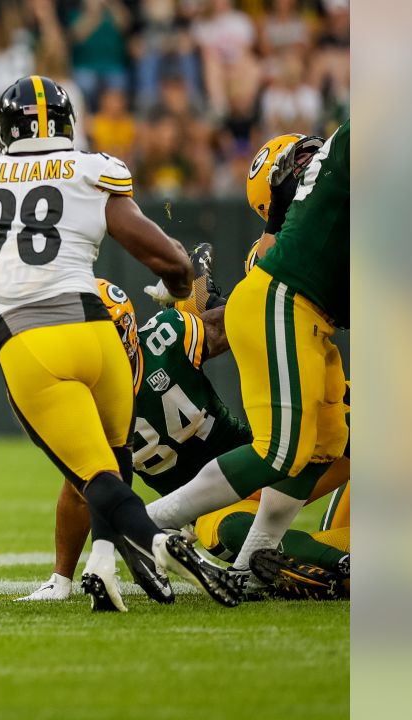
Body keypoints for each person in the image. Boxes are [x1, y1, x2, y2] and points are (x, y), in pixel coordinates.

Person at [0, 75, 239, 612]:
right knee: (113, 458)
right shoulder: (89, 170)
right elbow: (173, 261)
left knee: (92, 476)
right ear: (68, 124)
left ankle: (157, 541)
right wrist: (174, 291)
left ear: (2, 130)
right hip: (97, 332)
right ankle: (103, 569)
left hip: (30, 339)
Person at [23, 273, 349, 602]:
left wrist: (212, 303)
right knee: (233, 534)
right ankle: (343, 565)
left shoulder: (167, 337)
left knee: (345, 424)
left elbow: (237, 326)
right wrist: (61, 578)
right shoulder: (82, 401)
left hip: (269, 465)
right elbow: (80, 492)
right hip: (210, 508)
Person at [145, 120, 350, 587]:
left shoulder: (305, 224)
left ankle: (252, 565)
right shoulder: (294, 233)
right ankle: (144, 523)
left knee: (324, 443)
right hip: (289, 311)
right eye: (299, 162)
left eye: (308, 159)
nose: (307, 165)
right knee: (284, 449)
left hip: (307, 324)